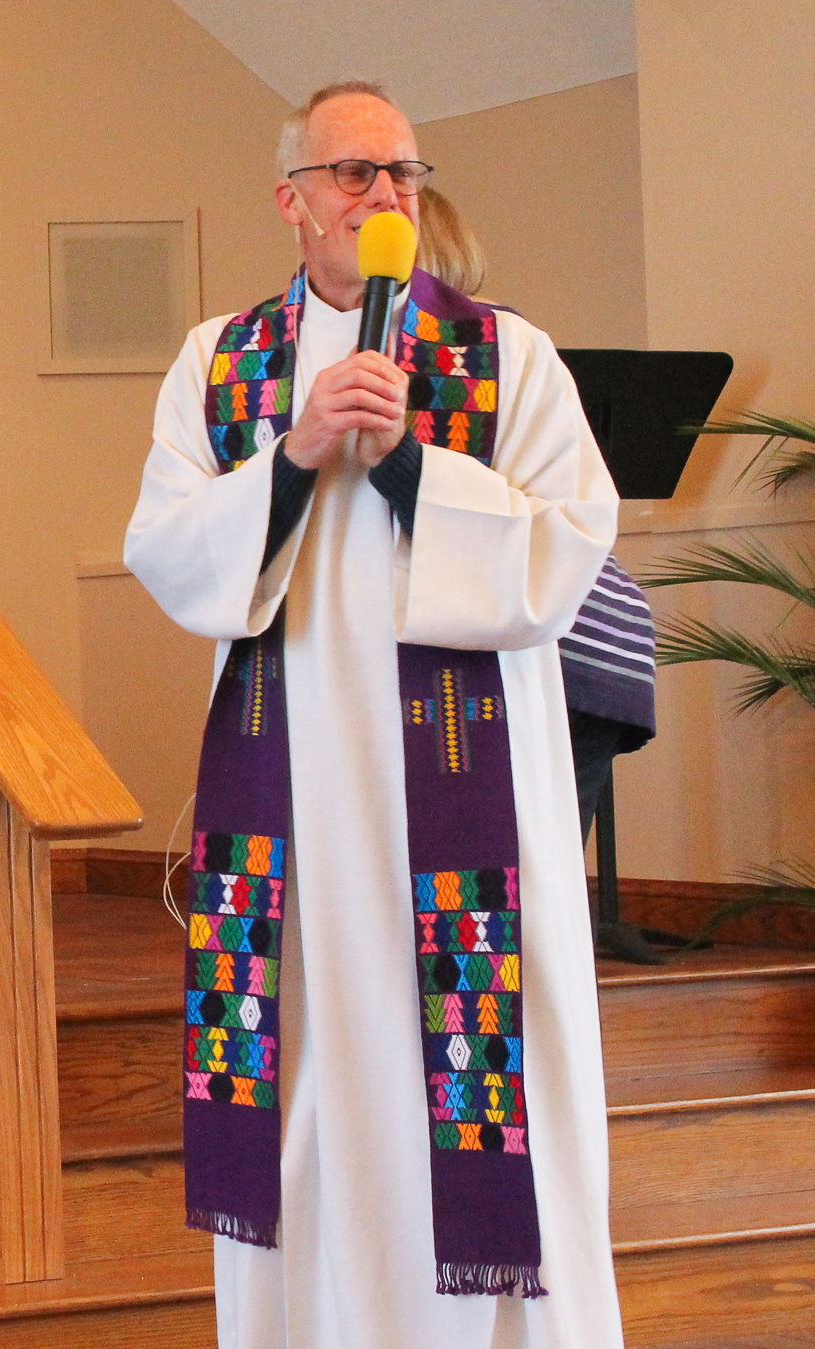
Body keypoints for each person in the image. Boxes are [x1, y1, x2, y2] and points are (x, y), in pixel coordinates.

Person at [123, 82, 624, 1347]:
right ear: (290, 199)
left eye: (402, 172)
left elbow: (572, 546)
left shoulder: (508, 355)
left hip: (466, 798)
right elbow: (166, 547)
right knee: (303, 1073)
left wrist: (411, 463)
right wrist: (291, 455)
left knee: (481, 1076)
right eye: (354, 173)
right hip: (288, 790)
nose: (385, 195)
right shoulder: (215, 359)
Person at [416, 186, 660, 871]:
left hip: (560, 639)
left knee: (512, 873)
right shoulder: (502, 339)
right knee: (544, 873)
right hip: (613, 642)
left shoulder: (467, 352)